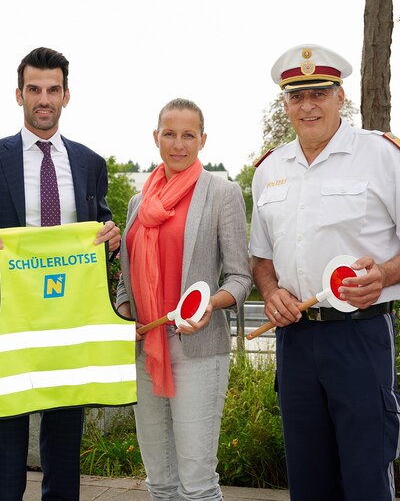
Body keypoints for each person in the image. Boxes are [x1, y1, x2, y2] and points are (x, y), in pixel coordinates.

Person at [249, 44, 400, 501]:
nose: (308, 105)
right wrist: (270, 290)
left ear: (341, 97)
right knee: (307, 478)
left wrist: (385, 272)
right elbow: (260, 256)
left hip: (360, 337)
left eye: (319, 93)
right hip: (296, 340)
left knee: (366, 476)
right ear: (285, 104)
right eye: (297, 96)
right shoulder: (269, 169)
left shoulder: (383, 155)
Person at [0, 46, 122, 500]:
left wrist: (111, 241)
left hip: (69, 327)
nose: (43, 99)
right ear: (19, 94)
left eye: (53, 89)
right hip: (6, 325)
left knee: (63, 450)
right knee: (4, 448)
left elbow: (98, 232)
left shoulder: (89, 163)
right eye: (34, 89)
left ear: (67, 95)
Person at [115, 98, 252, 500]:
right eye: (170, 134)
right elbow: (125, 282)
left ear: (202, 140)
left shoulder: (221, 193)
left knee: (197, 484)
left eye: (188, 135)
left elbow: (241, 277)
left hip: (198, 351)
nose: (178, 144)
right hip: (145, 352)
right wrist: (125, 315)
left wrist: (212, 304)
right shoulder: (137, 204)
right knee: (159, 482)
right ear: (155, 138)